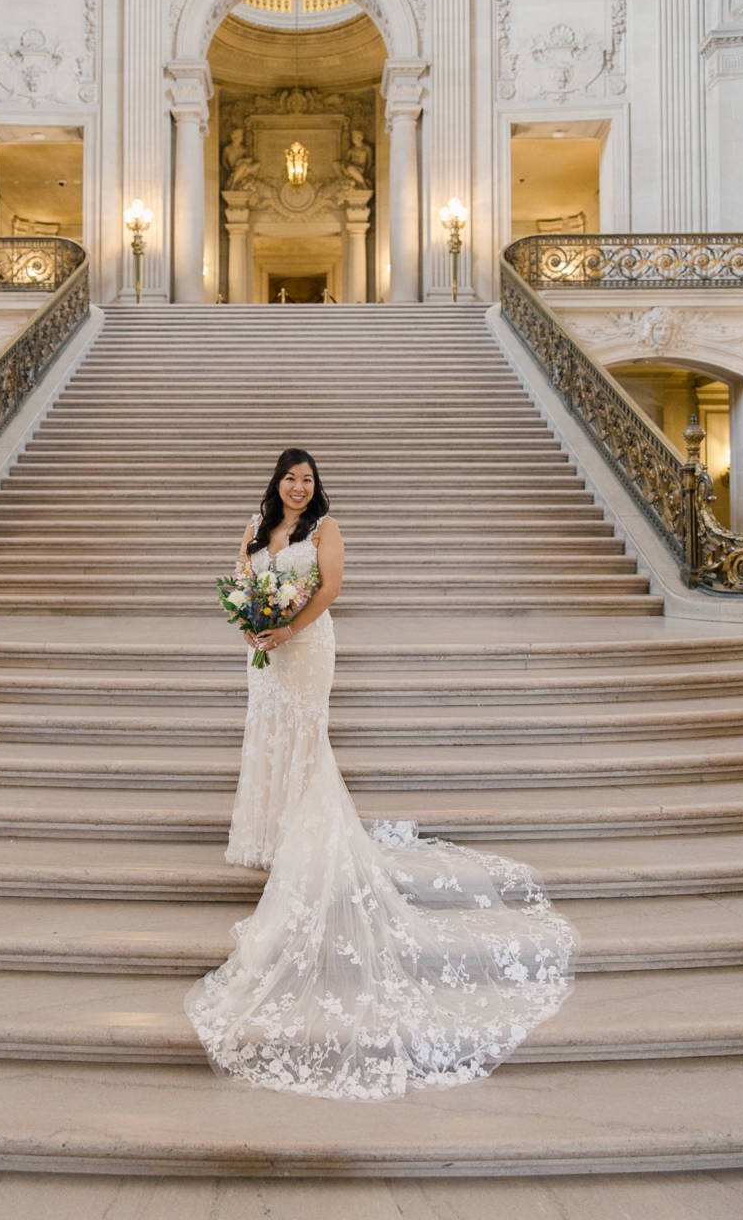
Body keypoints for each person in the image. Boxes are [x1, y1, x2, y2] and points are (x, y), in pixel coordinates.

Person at [185, 447, 577, 1102]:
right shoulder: (255, 524)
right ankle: (278, 831)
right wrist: (251, 625)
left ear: (316, 487)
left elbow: (330, 587)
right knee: (271, 739)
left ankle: (310, 841)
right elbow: (240, 578)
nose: (300, 488)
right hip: (266, 652)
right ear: (276, 482)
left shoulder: (326, 530)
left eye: (308, 480)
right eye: (291, 478)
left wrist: (285, 632)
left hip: (308, 648)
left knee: (306, 742)